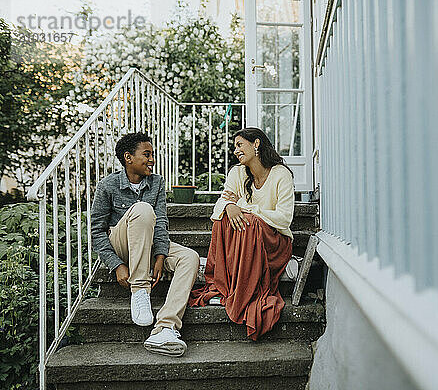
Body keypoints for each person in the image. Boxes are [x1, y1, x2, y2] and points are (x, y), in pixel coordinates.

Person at [91, 132, 199, 356]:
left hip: (148, 246)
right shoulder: (108, 185)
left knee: (190, 257)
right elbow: (96, 231)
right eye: (146, 154)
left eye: (152, 154)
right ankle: (140, 289)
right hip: (122, 245)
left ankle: (165, 327)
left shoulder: (156, 182)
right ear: (128, 157)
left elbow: (161, 223)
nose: (152, 159)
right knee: (142, 208)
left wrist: (160, 256)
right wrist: (117, 265)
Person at [188, 127, 295, 340]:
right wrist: (229, 206)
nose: (235, 150)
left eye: (239, 145)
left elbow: (284, 218)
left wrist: (245, 208)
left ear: (256, 144)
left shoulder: (281, 174)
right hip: (247, 236)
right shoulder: (237, 172)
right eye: (234, 146)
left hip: (275, 242)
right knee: (224, 219)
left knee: (250, 221)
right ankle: (226, 286)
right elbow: (220, 204)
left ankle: (244, 291)